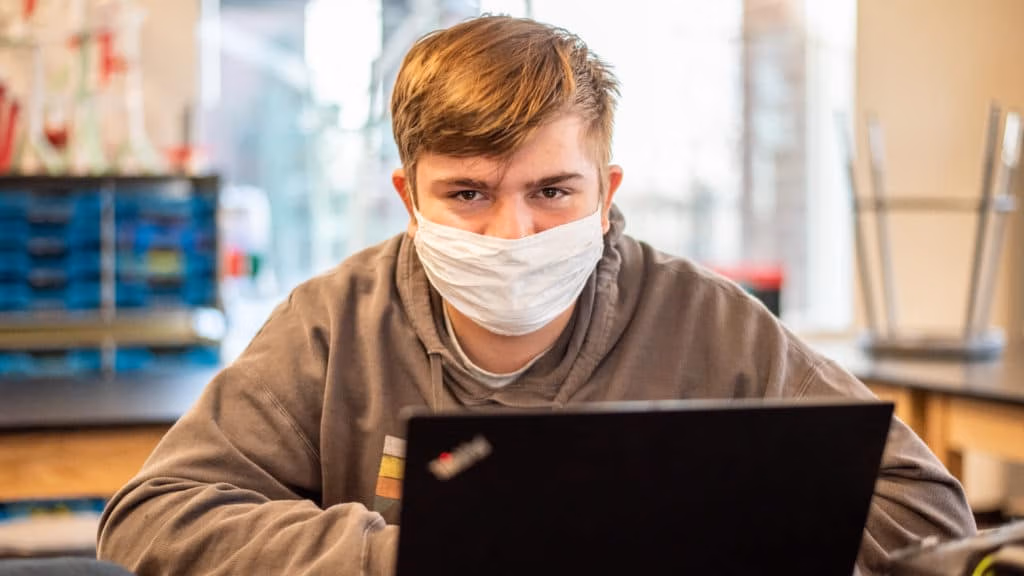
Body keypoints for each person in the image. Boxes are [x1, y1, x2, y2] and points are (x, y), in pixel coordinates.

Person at [97, 15, 975, 575]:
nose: (512, 234)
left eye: (553, 191)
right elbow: (155, 516)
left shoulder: (707, 321)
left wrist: (697, 542)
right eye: (468, 194)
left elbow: (922, 511)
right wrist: (417, 560)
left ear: (607, 191)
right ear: (409, 197)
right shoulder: (332, 324)